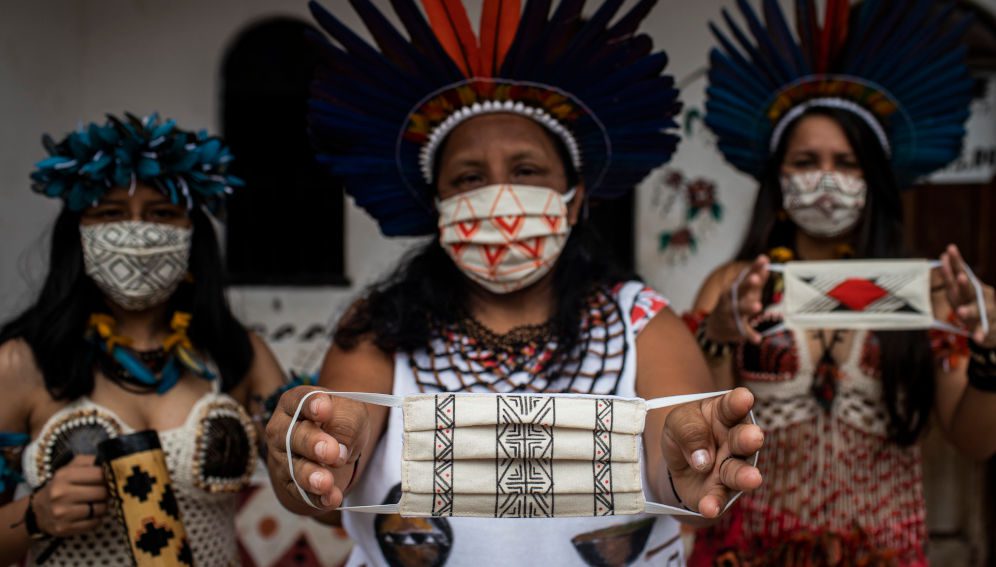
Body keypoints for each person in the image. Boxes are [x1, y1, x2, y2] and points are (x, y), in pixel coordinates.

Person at [263, 1, 764, 566]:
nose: (499, 200)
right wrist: (312, 458)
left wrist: (686, 461)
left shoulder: (642, 321)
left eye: (526, 171)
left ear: (574, 201)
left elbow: (675, 462)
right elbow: (325, 489)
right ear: (439, 207)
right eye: (469, 178)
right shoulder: (378, 328)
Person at [686, 1, 996, 564]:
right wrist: (717, 333)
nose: (825, 177)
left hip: (883, 550)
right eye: (806, 160)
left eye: (846, 162)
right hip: (751, 550)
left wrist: (991, 355)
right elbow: (699, 439)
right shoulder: (734, 286)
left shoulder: (924, 290)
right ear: (778, 178)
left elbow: (976, 439)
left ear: (872, 180)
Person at [0, 113, 286, 565]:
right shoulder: (21, 363)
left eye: (162, 214)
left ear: (193, 235)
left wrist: (315, 442)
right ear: (79, 234)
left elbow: (317, 499)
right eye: (111, 213)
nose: (138, 231)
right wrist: (35, 514)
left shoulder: (237, 354)